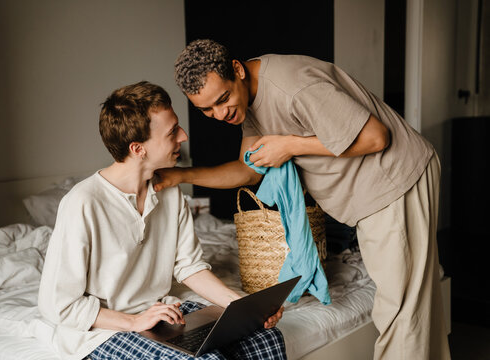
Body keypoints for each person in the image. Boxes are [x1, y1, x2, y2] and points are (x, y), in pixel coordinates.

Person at [154, 39, 451, 360]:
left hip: (393, 178)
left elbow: (376, 137)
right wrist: (179, 176)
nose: (219, 114)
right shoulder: (246, 101)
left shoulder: (292, 86)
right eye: (206, 109)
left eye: (222, 100)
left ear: (237, 70)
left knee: (400, 310)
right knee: (416, 305)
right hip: (373, 193)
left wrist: (289, 145)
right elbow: (248, 170)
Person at [38, 81, 286, 360]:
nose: (183, 136)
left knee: (264, 336)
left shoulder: (169, 191)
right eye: (171, 132)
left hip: (160, 312)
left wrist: (243, 306)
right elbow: (56, 304)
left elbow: (188, 265)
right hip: (102, 330)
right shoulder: (83, 202)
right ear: (137, 148)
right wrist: (132, 322)